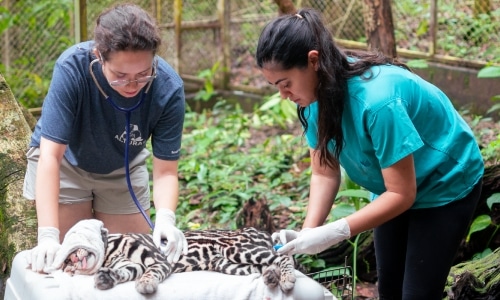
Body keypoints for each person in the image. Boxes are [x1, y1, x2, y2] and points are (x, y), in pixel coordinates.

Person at [256, 8, 484, 300]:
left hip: (445, 182)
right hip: (392, 187)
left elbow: (403, 194)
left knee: (417, 294)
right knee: (389, 288)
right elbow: (324, 171)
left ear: (313, 60)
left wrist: (335, 231)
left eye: (285, 84)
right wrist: (306, 235)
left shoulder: (378, 103)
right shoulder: (313, 98)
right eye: (276, 87)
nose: (283, 95)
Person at [23, 4, 187, 273]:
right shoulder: (72, 68)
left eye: (143, 74)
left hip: (122, 167)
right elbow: (50, 156)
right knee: (70, 260)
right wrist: (48, 236)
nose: (133, 85)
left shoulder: (168, 88)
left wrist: (166, 220)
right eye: (121, 76)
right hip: (66, 164)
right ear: (99, 57)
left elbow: (166, 170)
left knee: (131, 257)